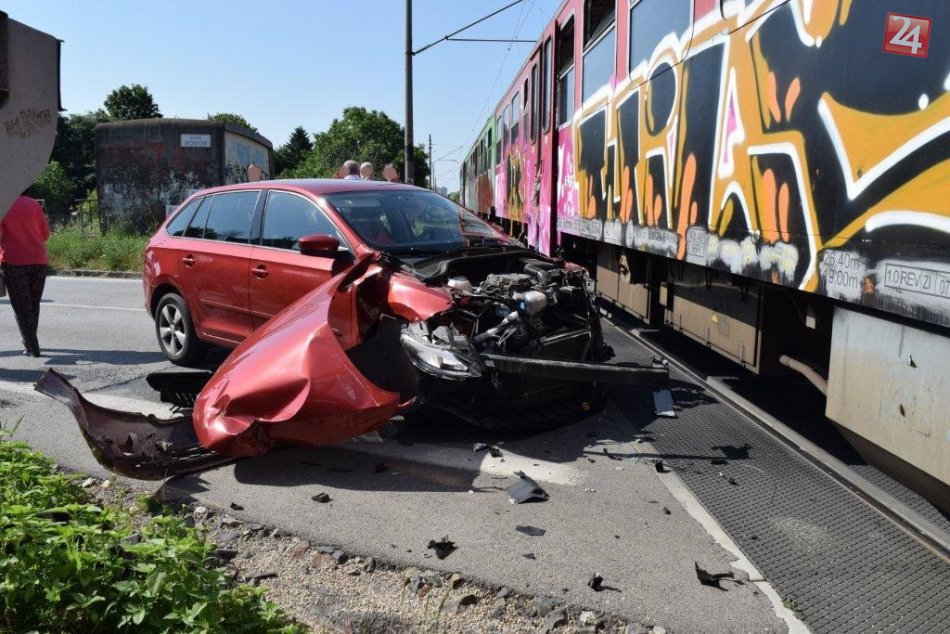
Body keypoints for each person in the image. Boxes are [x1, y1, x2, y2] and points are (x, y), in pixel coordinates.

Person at [1, 192, 51, 356]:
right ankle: (29, 341)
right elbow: (46, 234)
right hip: (39, 260)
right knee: (32, 304)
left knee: (22, 308)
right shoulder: (33, 203)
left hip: (15, 262)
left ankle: (32, 347)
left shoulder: (3, 205)